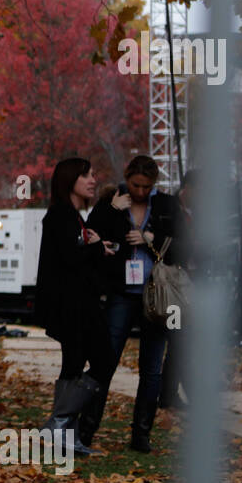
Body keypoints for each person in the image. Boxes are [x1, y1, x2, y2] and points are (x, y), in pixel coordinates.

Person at [84, 155, 177, 452]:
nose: (140, 191)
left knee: (151, 368)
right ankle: (86, 429)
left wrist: (152, 238)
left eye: (146, 186)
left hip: (155, 295)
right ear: (127, 178)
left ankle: (141, 434)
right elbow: (92, 233)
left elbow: (184, 243)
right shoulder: (113, 200)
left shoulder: (165, 205)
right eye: (136, 185)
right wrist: (112, 209)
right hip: (121, 291)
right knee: (105, 361)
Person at [33, 157, 116, 457]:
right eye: (88, 175)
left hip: (77, 302)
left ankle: (65, 432)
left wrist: (96, 246)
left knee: (74, 363)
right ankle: (59, 423)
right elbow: (69, 259)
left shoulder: (73, 216)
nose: (93, 180)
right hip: (72, 305)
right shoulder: (61, 216)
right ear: (72, 180)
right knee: (102, 360)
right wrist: (94, 248)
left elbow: (73, 256)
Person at [159, 169, 197, 410]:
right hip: (174, 283)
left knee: (182, 341)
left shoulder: (193, 214)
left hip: (188, 283)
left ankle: (174, 393)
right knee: (178, 339)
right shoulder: (172, 210)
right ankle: (171, 394)